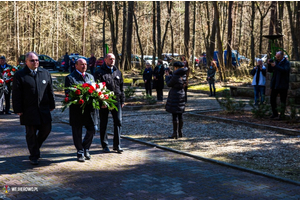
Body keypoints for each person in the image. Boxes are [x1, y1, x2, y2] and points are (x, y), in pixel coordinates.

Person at [12, 52, 55, 165]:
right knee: (31, 133)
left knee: (47, 129)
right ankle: (34, 156)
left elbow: (50, 90)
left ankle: (35, 147)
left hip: (43, 108)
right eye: (32, 60)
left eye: (36, 60)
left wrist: (52, 104)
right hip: (28, 110)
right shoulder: (20, 75)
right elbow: (16, 94)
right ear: (26, 62)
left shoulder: (45, 73)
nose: (35, 62)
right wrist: (18, 109)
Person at [65, 58, 96, 162]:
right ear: (76, 66)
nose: (84, 66)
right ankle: (80, 151)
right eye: (82, 64)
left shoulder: (90, 76)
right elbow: (69, 93)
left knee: (92, 129)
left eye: (86, 64)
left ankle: (86, 148)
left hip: (89, 109)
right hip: (77, 109)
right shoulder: (70, 78)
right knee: (77, 131)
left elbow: (95, 90)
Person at [94, 53, 125, 153]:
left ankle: (117, 145)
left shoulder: (117, 72)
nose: (112, 61)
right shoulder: (99, 72)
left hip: (116, 101)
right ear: (105, 60)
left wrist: (122, 100)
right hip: (104, 101)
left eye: (114, 59)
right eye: (110, 59)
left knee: (118, 122)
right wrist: (101, 101)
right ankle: (105, 145)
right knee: (104, 123)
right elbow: (97, 88)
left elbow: (121, 87)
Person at [165, 61, 187, 139]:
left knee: (174, 115)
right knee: (180, 115)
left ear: (176, 67)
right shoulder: (184, 74)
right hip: (182, 94)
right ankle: (180, 132)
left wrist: (167, 77)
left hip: (175, 95)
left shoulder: (176, 75)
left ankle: (175, 133)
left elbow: (169, 84)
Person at [267, 51, 290, 119]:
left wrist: (276, 66)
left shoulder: (286, 63)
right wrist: (269, 64)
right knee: (272, 100)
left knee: (283, 100)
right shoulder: (276, 61)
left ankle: (282, 115)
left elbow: (285, 70)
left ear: (282, 56)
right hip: (275, 84)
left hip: (283, 85)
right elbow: (270, 70)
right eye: (276, 57)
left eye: (279, 57)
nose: (277, 58)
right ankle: (275, 113)